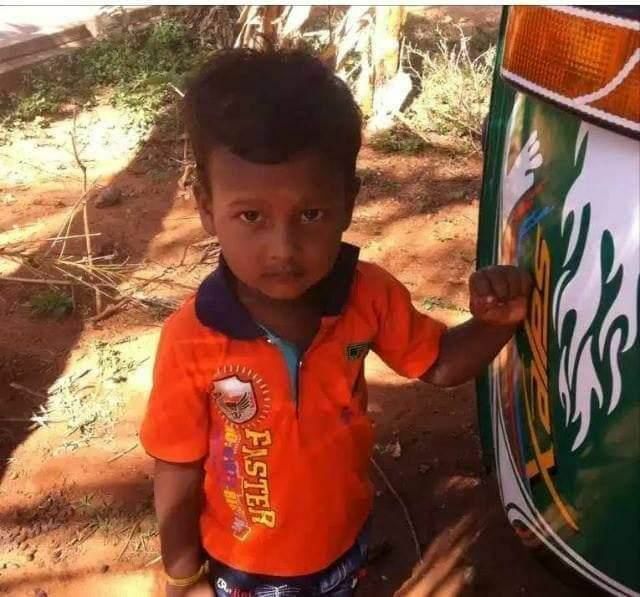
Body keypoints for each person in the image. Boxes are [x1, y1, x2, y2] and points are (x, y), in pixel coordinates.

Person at [140, 48, 532, 597]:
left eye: (311, 214)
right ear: (206, 206)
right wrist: (182, 576)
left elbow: (438, 362)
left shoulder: (367, 294)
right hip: (242, 564)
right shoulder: (192, 339)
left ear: (348, 202)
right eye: (251, 216)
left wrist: (494, 324)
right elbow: (177, 466)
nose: (284, 248)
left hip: (345, 542)